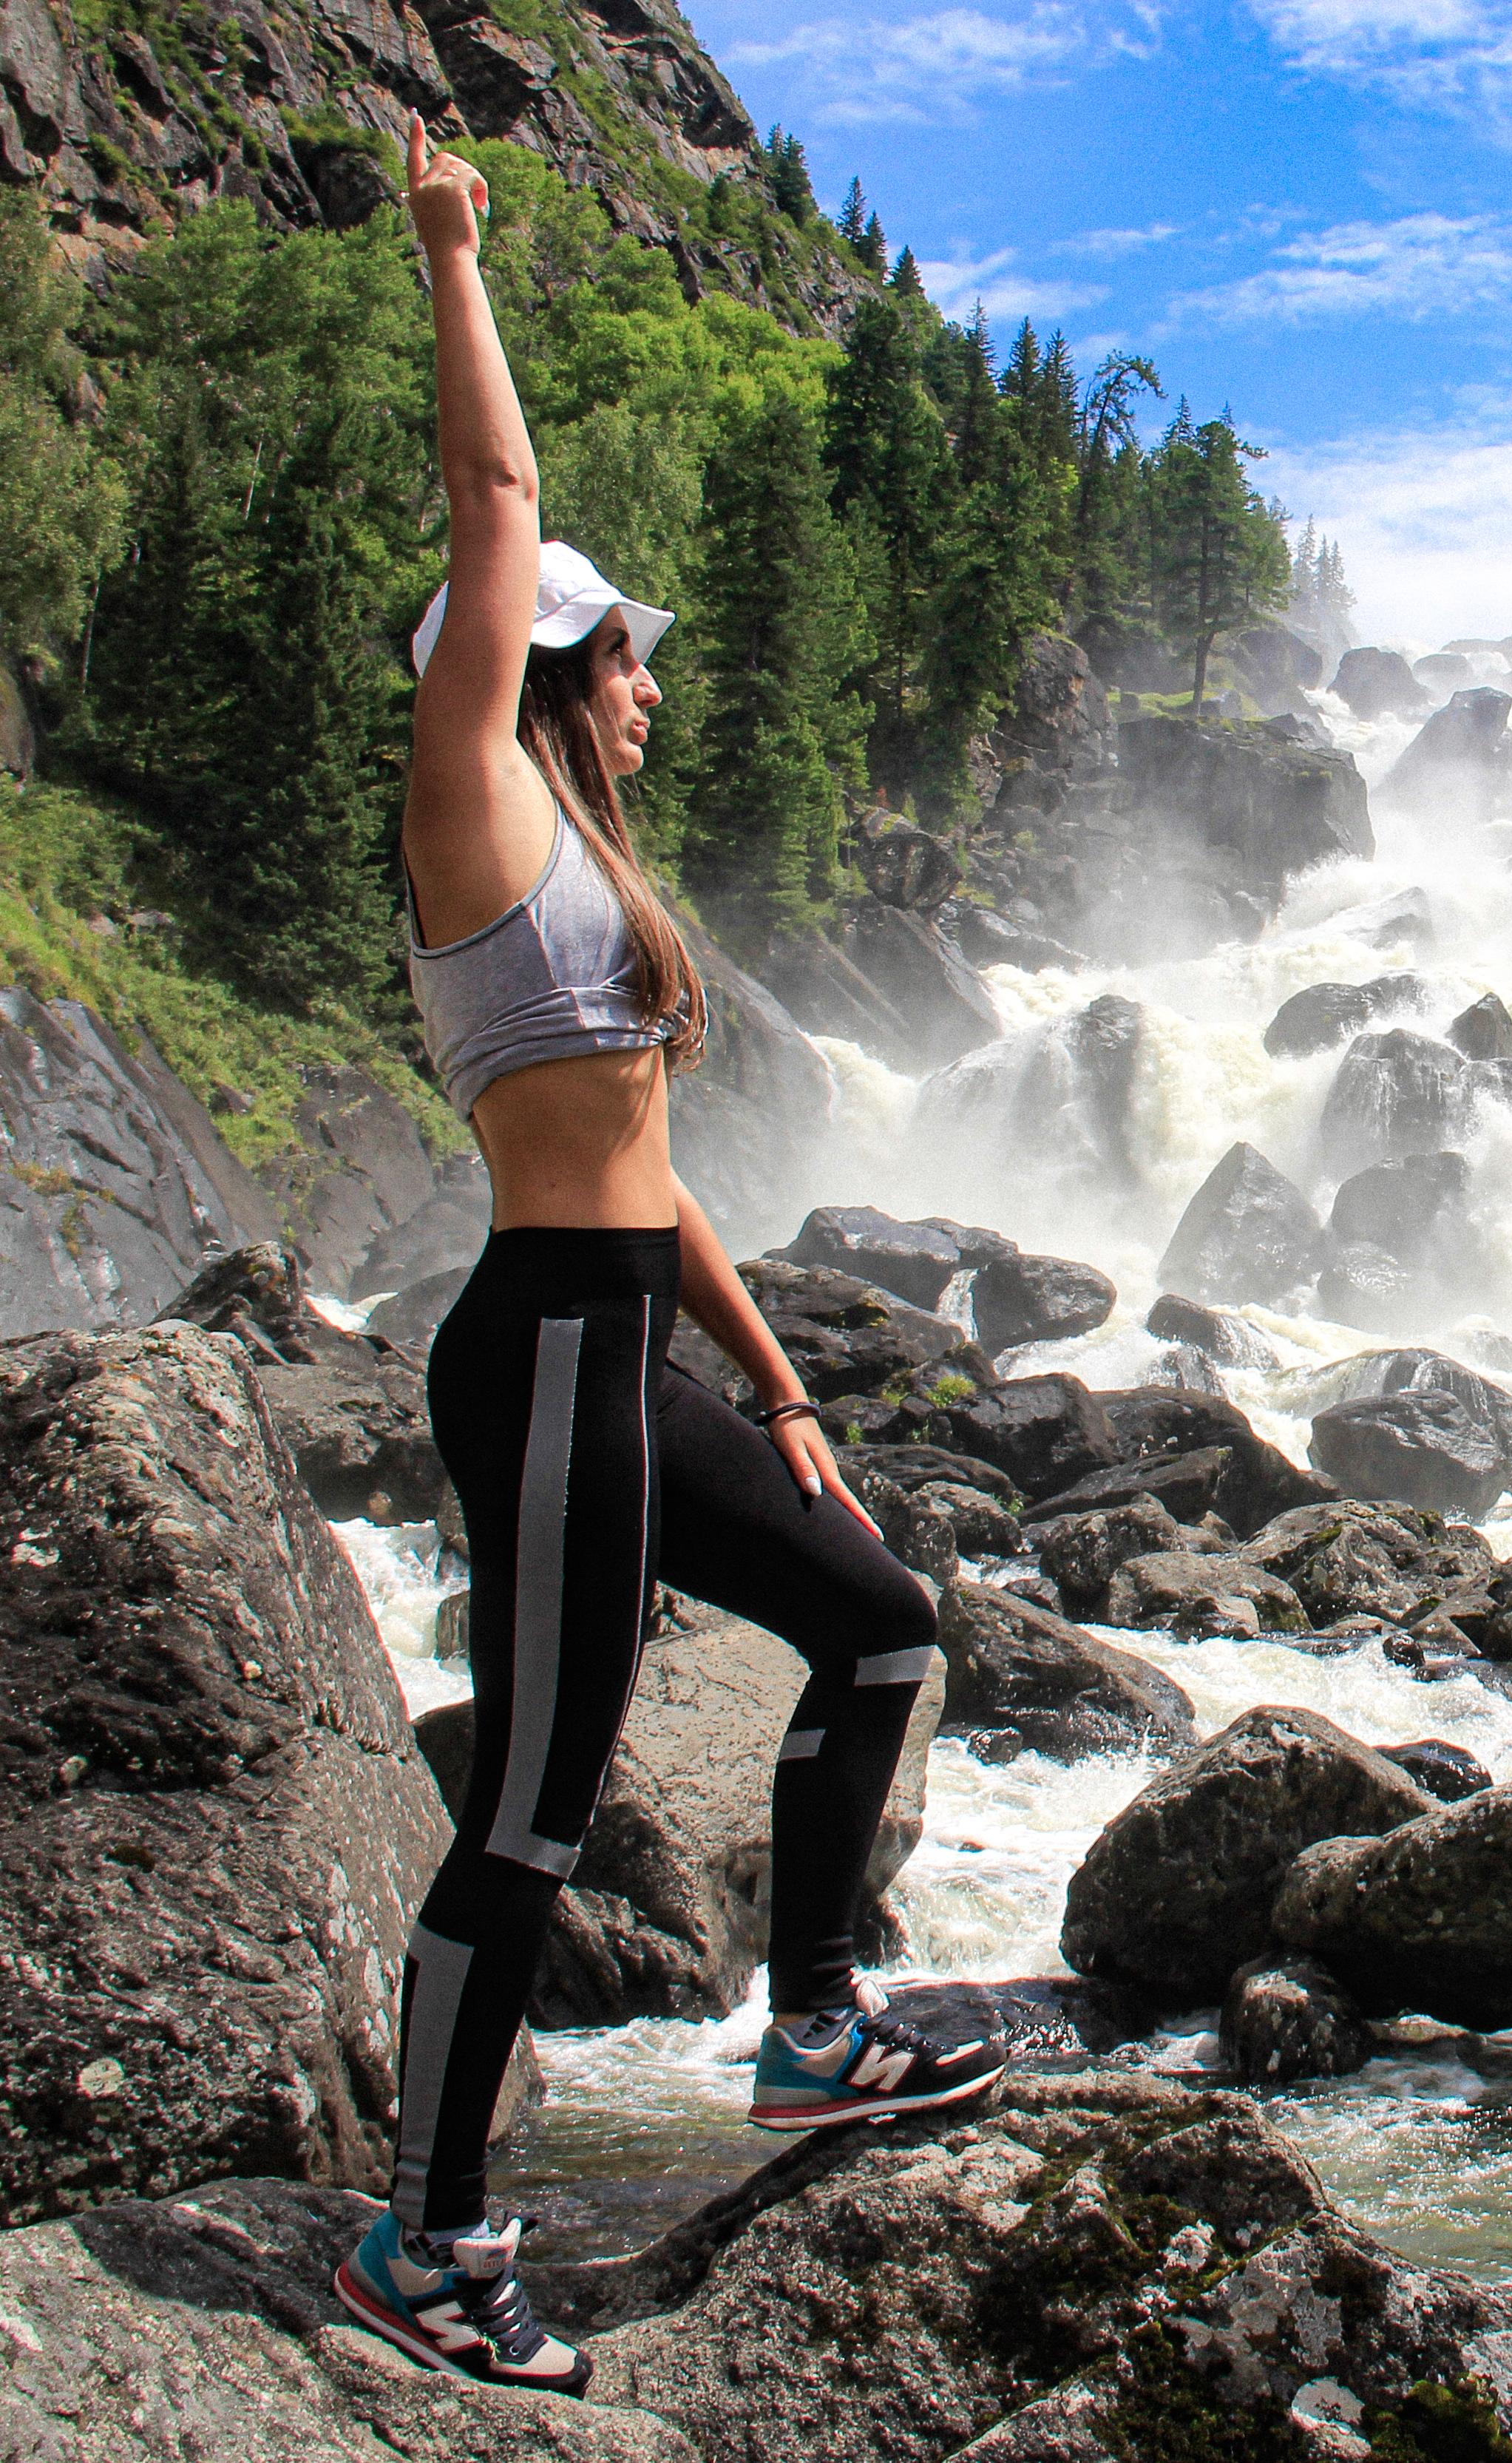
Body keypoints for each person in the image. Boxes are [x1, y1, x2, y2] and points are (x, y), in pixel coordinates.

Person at [334, 118, 1007, 2399]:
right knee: (536, 1800)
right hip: (539, 1354)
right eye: (627, 656)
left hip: (630, 1352)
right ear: (544, 659)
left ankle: (814, 2023)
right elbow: (493, 499)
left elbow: (658, 1169)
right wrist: (452, 250)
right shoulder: (472, 799)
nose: (651, 686)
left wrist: (783, 1388)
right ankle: (430, 2237)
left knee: (884, 1621)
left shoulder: (588, 869)